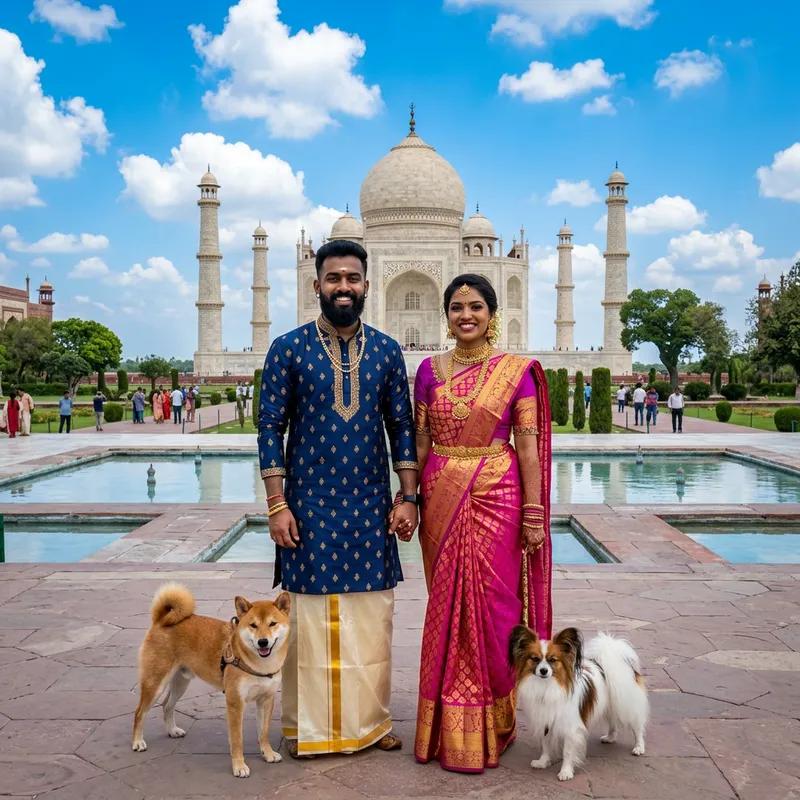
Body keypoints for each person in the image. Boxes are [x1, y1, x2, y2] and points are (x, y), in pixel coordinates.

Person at [258, 239, 418, 760]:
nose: (343, 287)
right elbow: (269, 429)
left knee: (371, 625)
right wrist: (277, 505)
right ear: (316, 284)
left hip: (371, 506)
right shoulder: (288, 348)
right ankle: (309, 728)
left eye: (352, 278)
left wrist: (408, 497)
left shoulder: (388, 351)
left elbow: (402, 428)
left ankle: (370, 725)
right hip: (308, 509)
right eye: (334, 278)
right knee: (306, 626)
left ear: (367, 285)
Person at [413, 274, 552, 773]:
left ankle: (497, 719)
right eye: (456, 307)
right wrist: (410, 498)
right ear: (445, 315)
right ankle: (445, 725)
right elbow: (422, 444)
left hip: (499, 494)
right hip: (442, 495)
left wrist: (534, 512)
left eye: (475, 306)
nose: (465, 315)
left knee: (495, 607)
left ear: (492, 314)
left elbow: (530, 446)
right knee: (445, 608)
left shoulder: (516, 372)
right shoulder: (429, 371)